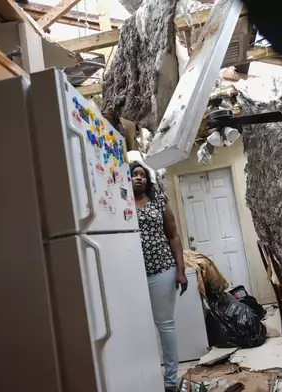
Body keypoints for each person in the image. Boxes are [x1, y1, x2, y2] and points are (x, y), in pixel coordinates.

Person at [130, 161, 188, 392]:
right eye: (133, 174)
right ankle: (144, 377)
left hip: (162, 270)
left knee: (165, 325)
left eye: (142, 174)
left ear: (148, 180)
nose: (138, 178)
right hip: (130, 275)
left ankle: (171, 380)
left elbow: (173, 236)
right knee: (136, 327)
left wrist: (181, 270)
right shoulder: (119, 203)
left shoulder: (159, 201)